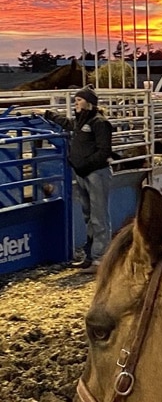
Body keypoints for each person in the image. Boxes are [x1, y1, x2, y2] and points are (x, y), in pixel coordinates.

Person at [44, 87, 113, 273]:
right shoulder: (81, 121)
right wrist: (48, 114)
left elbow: (104, 150)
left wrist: (85, 165)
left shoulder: (99, 123)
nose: (76, 103)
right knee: (88, 215)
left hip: (96, 173)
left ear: (89, 103)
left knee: (99, 216)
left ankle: (101, 258)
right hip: (84, 172)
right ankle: (90, 256)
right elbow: (66, 122)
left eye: (79, 100)